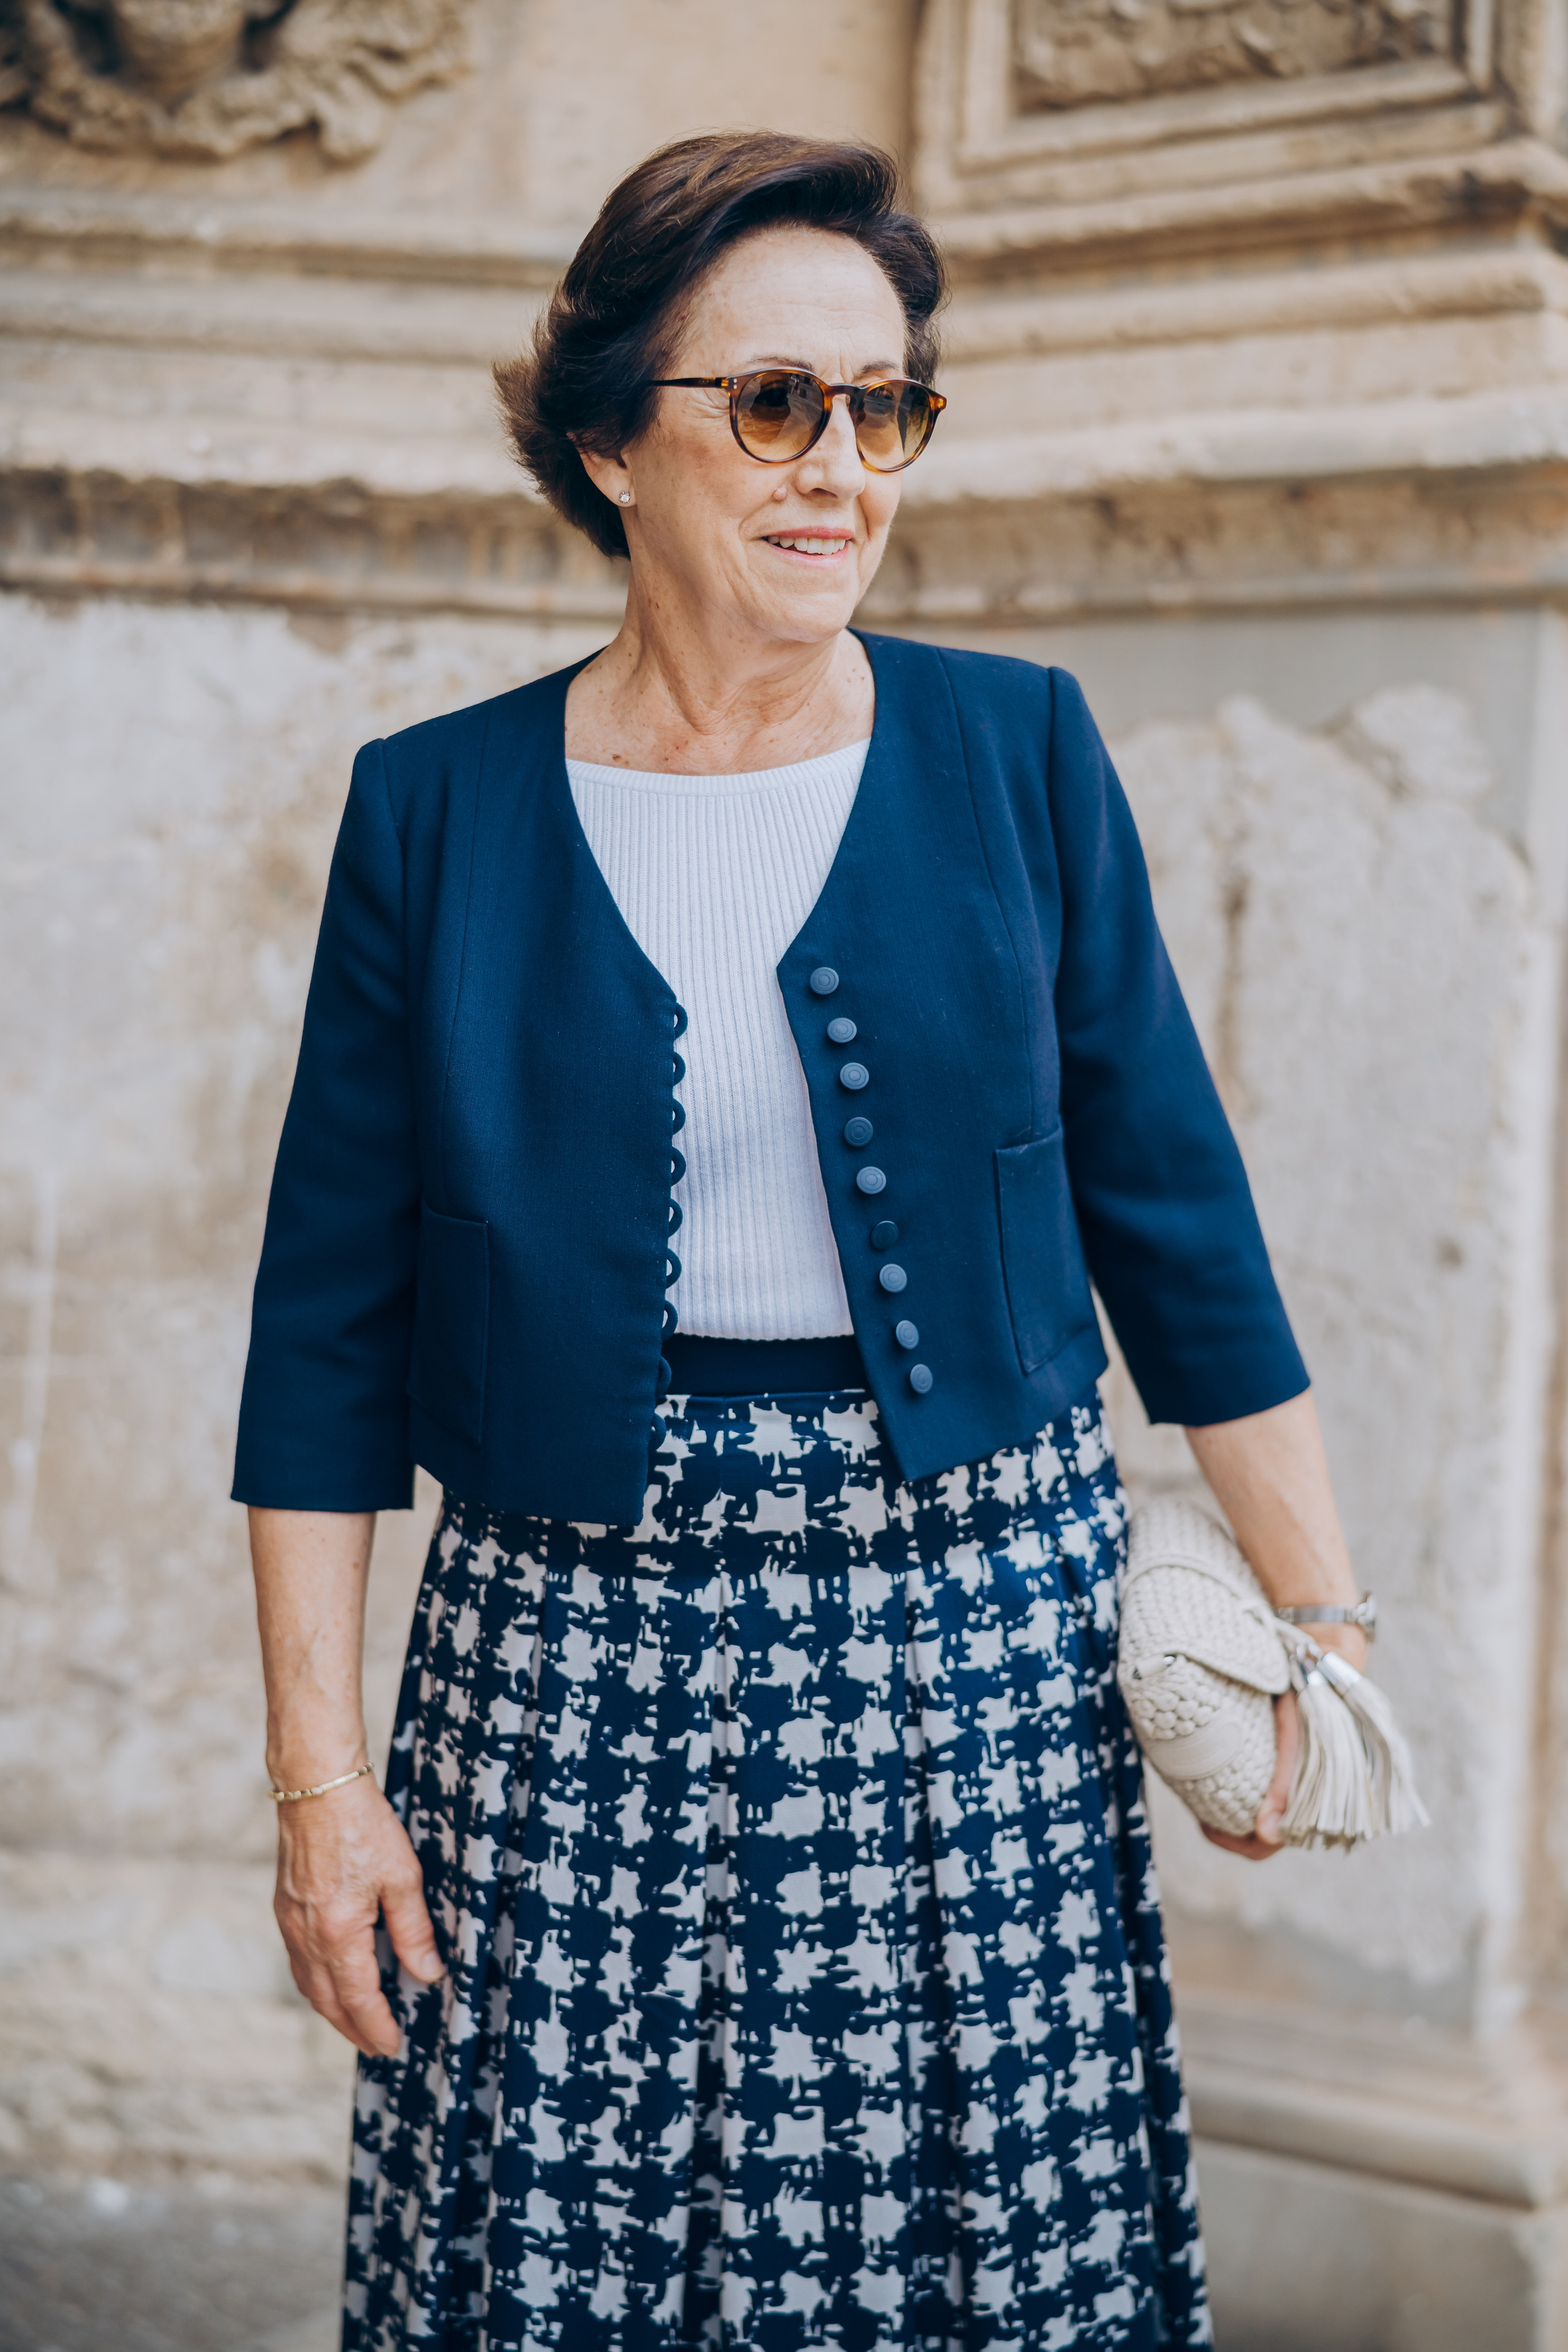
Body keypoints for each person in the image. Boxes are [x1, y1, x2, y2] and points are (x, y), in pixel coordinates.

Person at [235, 129, 1368, 2352]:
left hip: (976, 1639)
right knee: (555, 2257)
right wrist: (322, 1790)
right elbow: (324, 1338)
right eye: (774, 405)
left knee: (966, 2257)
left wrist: (1322, 1643)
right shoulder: (433, 809)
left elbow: (1183, 1231)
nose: (841, 464)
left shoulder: (1018, 750)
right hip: (561, 1660)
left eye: (886, 405)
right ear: (604, 440)